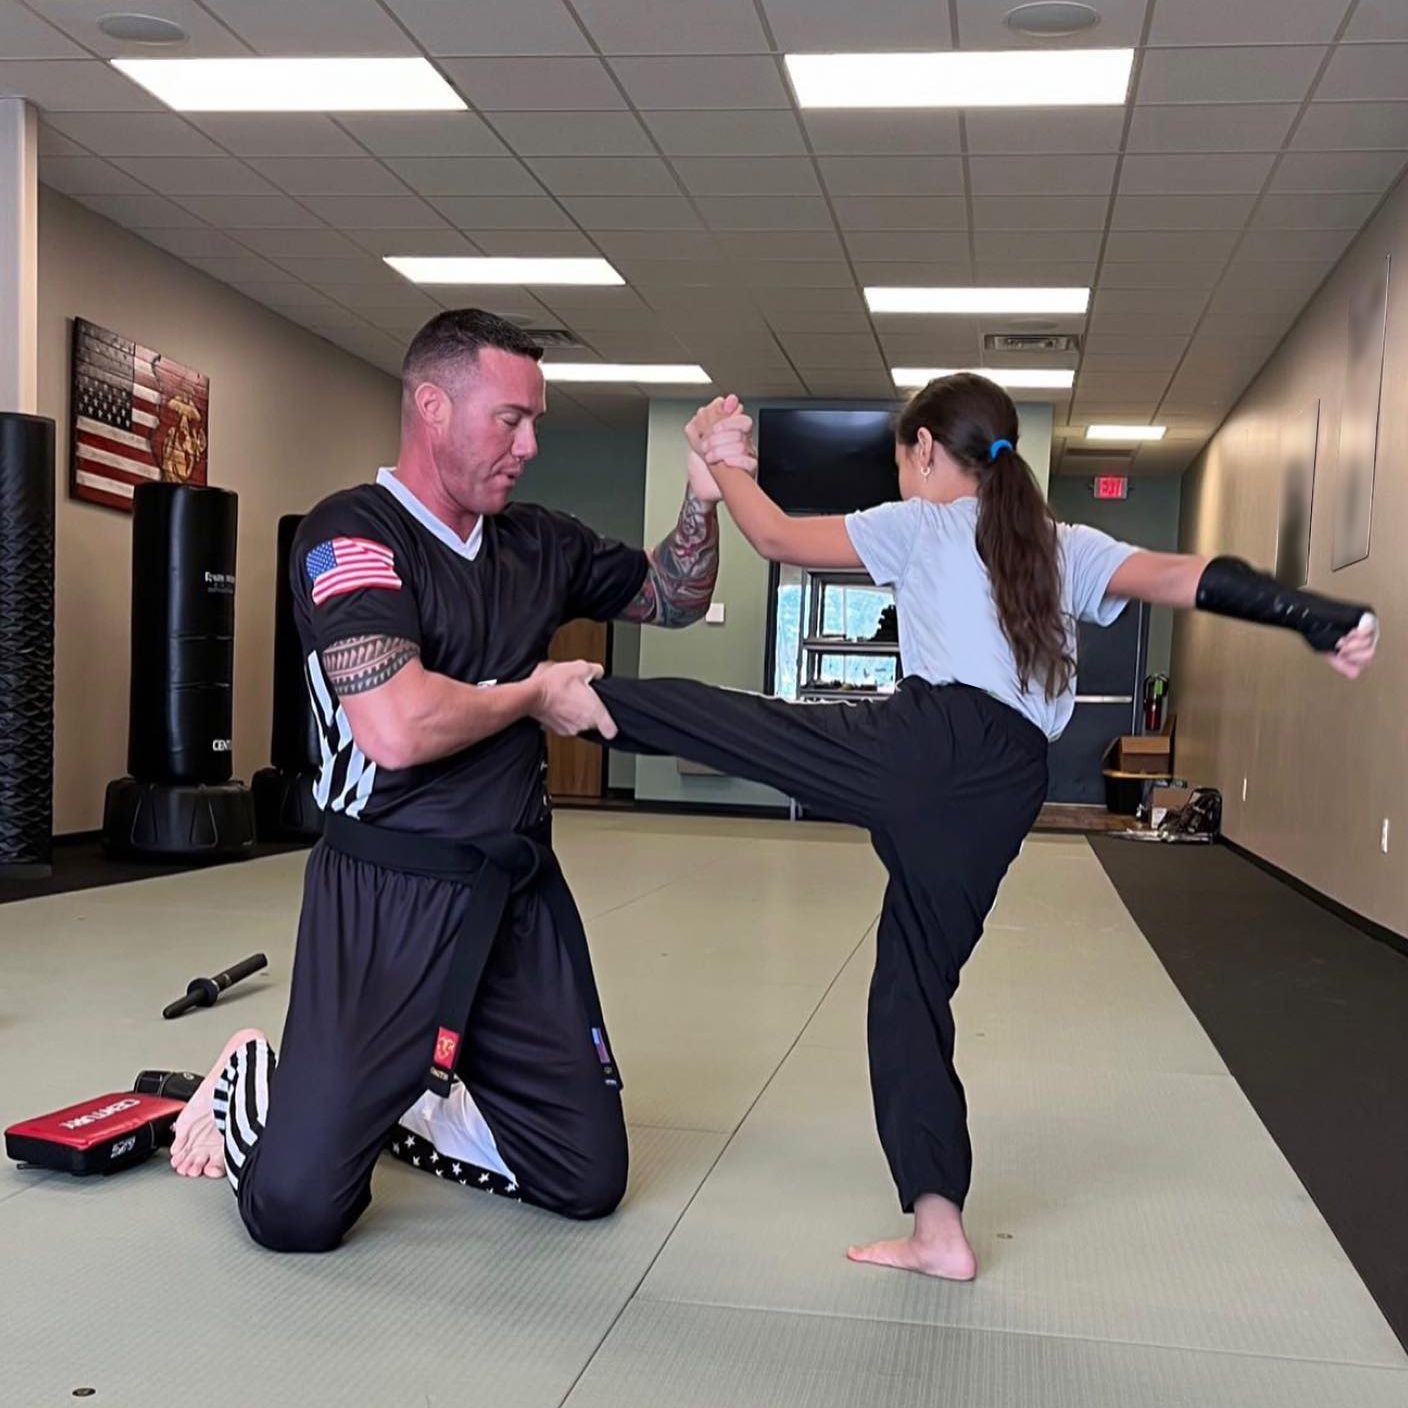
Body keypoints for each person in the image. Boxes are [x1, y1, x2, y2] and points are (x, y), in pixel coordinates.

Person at [564, 373, 1379, 1282]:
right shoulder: (1063, 543)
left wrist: (721, 464)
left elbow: (777, 538)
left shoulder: (926, 523)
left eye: (900, 459)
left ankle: (584, 702)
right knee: (910, 992)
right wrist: (1307, 613)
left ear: (924, 451)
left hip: (936, 739)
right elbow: (1182, 577)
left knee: (757, 730)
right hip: (1011, 782)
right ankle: (938, 1229)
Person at [168, 308, 722, 1252]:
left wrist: (703, 493)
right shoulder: (350, 536)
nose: (530, 445)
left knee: (585, 1178)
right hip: (384, 896)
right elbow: (395, 727)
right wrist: (534, 693)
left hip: (512, 893)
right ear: (432, 406)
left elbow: (675, 595)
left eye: (534, 421)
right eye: (511, 419)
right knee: (297, 1212)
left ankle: (412, 1102)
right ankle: (255, 1076)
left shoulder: (539, 543)